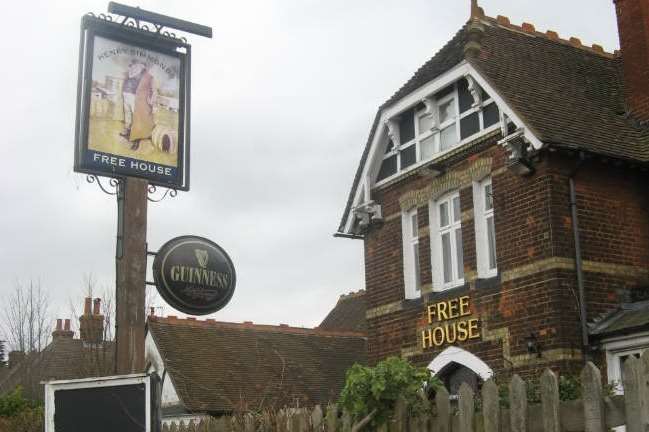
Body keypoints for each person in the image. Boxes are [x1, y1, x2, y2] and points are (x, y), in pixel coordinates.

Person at [120, 61, 155, 150]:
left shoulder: (146, 76)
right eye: (132, 65)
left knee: (136, 118)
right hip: (126, 95)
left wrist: (151, 101)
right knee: (128, 115)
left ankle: (136, 139)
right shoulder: (130, 72)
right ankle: (128, 133)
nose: (133, 66)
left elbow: (152, 90)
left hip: (135, 98)